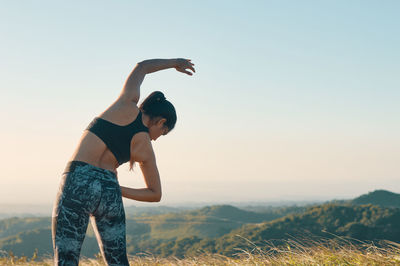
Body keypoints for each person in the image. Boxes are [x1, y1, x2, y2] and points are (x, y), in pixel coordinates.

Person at [51, 58, 196, 266]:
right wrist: (117, 189)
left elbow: (142, 67)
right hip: (109, 189)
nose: (156, 138)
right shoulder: (146, 149)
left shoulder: (126, 104)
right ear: (162, 121)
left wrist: (175, 63)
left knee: (66, 259)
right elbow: (155, 194)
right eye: (162, 133)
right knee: (118, 261)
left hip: (77, 181)